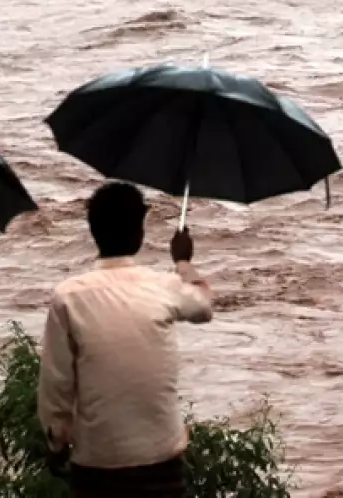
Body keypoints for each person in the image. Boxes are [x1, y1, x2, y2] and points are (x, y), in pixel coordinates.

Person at [38, 182, 215, 498]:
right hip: (160, 459)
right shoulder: (164, 286)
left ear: (93, 232)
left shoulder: (68, 297)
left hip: (97, 462)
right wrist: (184, 262)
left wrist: (56, 441)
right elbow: (203, 306)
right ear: (140, 231)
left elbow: (57, 382)